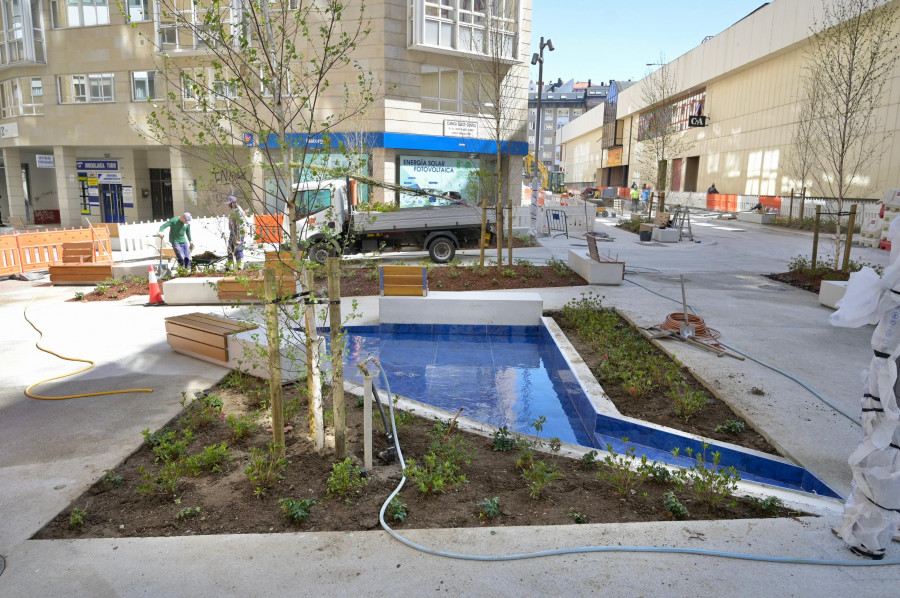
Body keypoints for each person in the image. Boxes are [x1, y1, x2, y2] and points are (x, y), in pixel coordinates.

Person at [830, 217, 900, 560]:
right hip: (890, 362)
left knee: (884, 439)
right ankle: (882, 524)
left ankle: (870, 536)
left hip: (892, 364)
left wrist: (869, 292)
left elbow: (885, 299)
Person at [225, 195, 248, 270]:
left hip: (239, 233)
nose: (228, 205)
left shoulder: (238, 211)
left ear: (233, 203)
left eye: (229, 203)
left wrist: (238, 237)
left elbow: (240, 225)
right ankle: (230, 264)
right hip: (233, 232)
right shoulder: (233, 210)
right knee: (230, 248)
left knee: (238, 249)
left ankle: (239, 265)